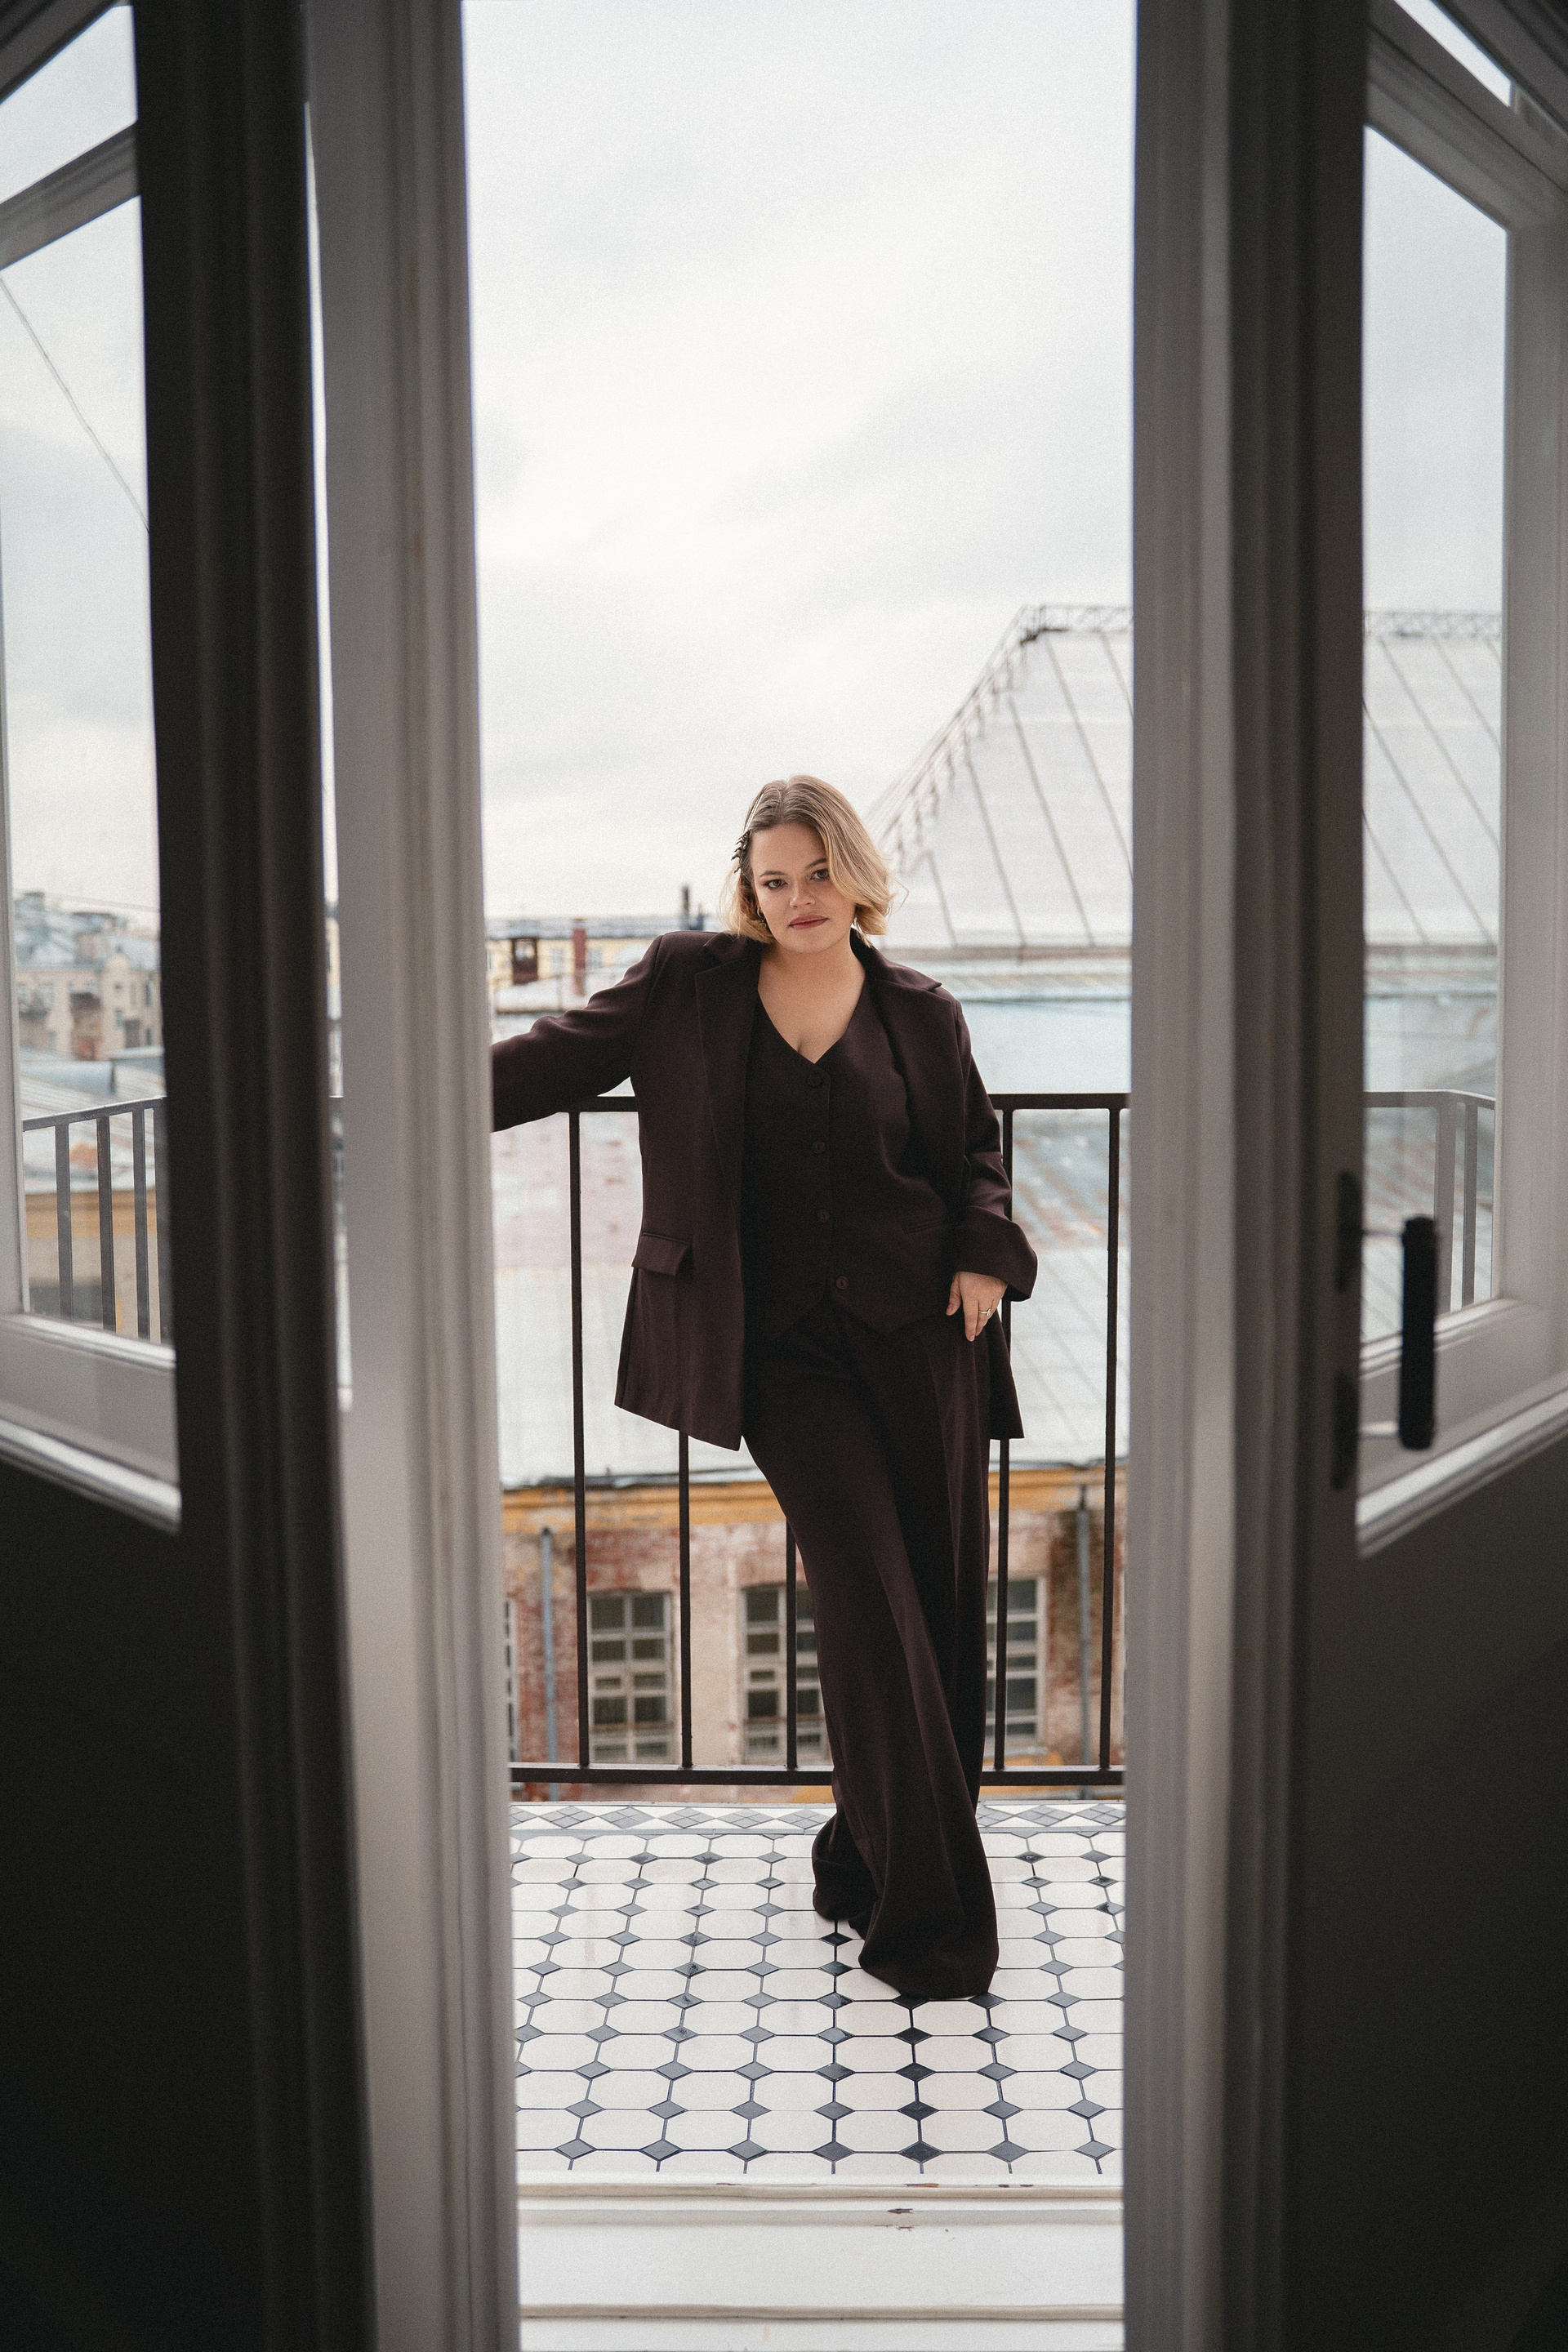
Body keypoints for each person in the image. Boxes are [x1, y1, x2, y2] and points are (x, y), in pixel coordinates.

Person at [492, 775, 1037, 2000]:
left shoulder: (920, 1011)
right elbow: (548, 1062)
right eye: (775, 879)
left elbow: (974, 1155)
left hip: (922, 1338)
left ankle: (860, 1854)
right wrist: (402, 1104)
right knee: (869, 1596)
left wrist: (982, 1257)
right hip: (781, 1358)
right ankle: (933, 1927)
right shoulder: (688, 982)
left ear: (855, 873)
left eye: (819, 873)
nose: (799, 899)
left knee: (933, 1607)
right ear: (749, 888)